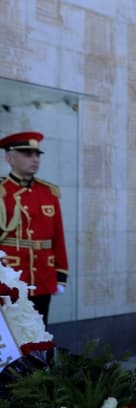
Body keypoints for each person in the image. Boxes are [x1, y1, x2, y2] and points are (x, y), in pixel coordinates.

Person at [0, 132, 69, 325]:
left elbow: (58, 238)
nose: (35, 159)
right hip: (10, 276)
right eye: (27, 154)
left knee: (39, 331)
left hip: (42, 278)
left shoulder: (49, 193)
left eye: (37, 155)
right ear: (10, 158)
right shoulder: (2, 191)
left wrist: (60, 274)